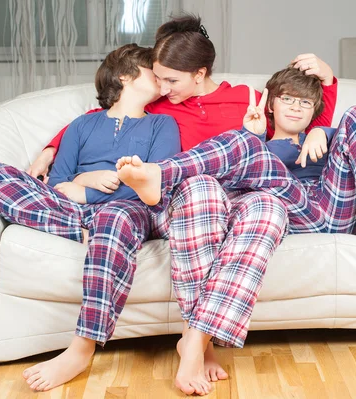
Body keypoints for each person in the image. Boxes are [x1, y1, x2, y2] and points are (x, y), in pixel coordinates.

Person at [27, 15, 338, 396]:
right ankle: (199, 343)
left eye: (170, 79)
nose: (161, 87)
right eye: (157, 78)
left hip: (245, 193)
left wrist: (324, 101)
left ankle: (196, 337)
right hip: (191, 196)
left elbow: (296, 116)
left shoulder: (245, 97)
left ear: (199, 73)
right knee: (201, 188)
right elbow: (104, 117)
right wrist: (51, 147)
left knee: (269, 209)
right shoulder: (162, 107)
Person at [0, 44, 181, 392]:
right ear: (126, 76)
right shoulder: (82, 125)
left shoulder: (163, 124)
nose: (160, 77)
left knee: (113, 216)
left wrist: (86, 191)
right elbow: (56, 184)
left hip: (131, 210)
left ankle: (81, 348)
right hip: (71, 210)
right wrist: (82, 182)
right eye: (151, 70)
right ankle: (81, 228)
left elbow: (155, 183)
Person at [116, 66, 356, 254]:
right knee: (245, 145)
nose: (295, 108)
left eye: (304, 102)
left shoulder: (327, 138)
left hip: (340, 206)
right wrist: (252, 136)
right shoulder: (256, 146)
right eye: (287, 99)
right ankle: (161, 174)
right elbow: (231, 186)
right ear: (272, 104)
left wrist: (324, 133)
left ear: (313, 110)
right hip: (298, 211)